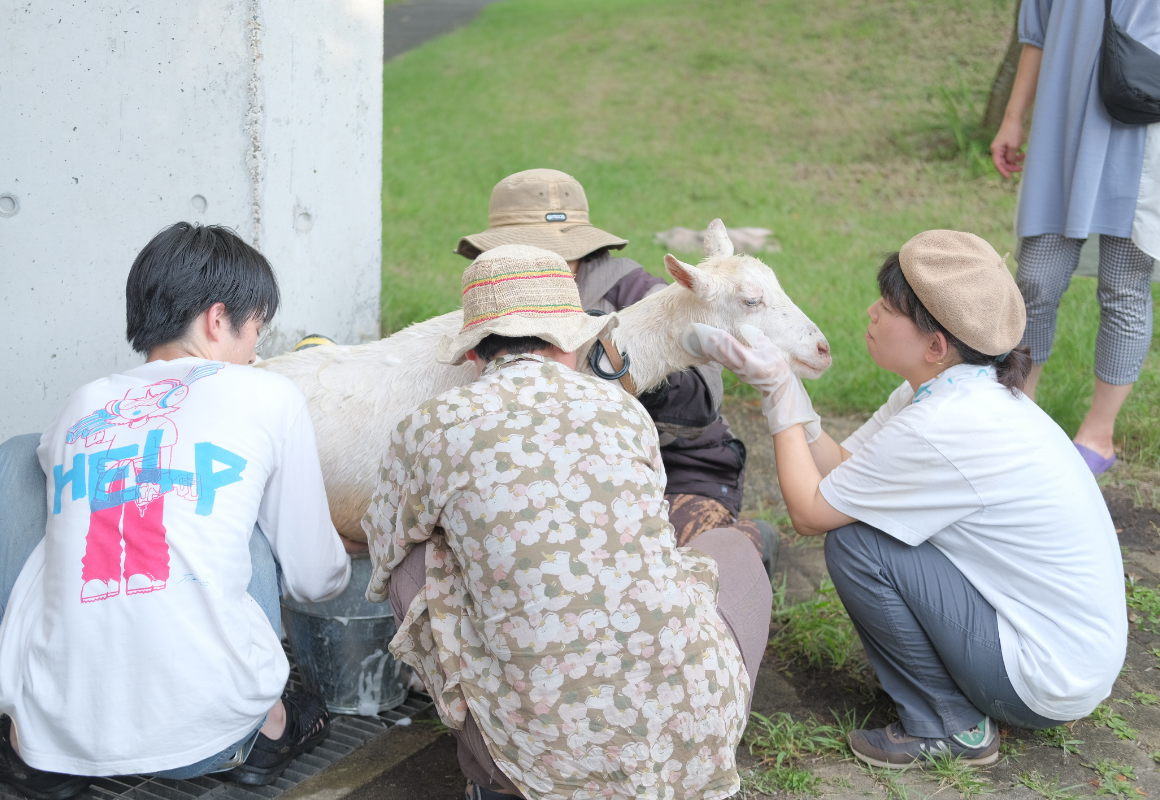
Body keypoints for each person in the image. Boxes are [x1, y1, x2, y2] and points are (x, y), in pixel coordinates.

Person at [688, 230, 1126, 767]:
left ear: (935, 345)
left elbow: (811, 512)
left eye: (889, 307)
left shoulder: (944, 424)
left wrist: (778, 396)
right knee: (859, 520)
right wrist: (788, 391)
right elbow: (845, 472)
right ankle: (950, 691)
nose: (871, 311)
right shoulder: (952, 389)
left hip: (1044, 676)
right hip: (1066, 655)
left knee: (855, 541)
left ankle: (949, 724)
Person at [362, 244, 773, 799]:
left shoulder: (431, 424)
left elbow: (382, 541)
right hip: (692, 729)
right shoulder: (625, 411)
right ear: (572, 341)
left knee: (413, 555)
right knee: (733, 547)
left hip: (537, 757)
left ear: (472, 355)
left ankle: (488, 769)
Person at [0, 223, 352, 798]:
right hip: (215, 736)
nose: (255, 351)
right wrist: (344, 552)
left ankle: (26, 741)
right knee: (238, 511)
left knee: (20, 457)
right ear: (218, 320)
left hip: (56, 738)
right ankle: (270, 727)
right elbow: (315, 580)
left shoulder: (82, 403)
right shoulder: (266, 393)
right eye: (255, 330)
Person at [455, 168, 776, 565]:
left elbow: (701, 403)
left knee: (657, 568)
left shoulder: (641, 294)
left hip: (674, 469)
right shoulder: (497, 296)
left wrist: (628, 370)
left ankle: (746, 544)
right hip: (558, 474)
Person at [989, 0, 1160, 473]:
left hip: (1145, 124)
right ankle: (1020, 413)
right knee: (1036, 283)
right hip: (1061, 124)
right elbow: (1037, 32)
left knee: (1124, 286)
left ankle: (1098, 434)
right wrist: (1013, 117)